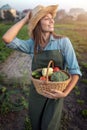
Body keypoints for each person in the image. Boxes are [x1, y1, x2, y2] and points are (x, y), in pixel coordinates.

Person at [2, 4, 82, 130]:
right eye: (46, 18)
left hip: (55, 93)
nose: (52, 20)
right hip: (37, 92)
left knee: (49, 126)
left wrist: (64, 94)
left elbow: (75, 71)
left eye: (52, 18)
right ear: (37, 24)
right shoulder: (32, 44)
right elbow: (7, 38)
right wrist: (25, 19)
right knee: (36, 123)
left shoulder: (63, 42)